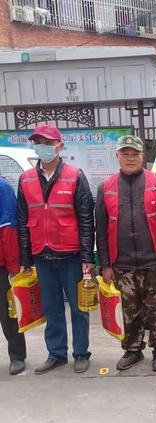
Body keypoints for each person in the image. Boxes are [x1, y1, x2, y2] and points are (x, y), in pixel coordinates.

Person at [17, 124, 95, 375]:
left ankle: (81, 353)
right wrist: (26, 257)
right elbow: (22, 220)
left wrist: (87, 257)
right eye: (39, 142)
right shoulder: (26, 179)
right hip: (42, 255)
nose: (44, 148)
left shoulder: (75, 175)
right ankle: (56, 353)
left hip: (71, 255)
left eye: (48, 143)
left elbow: (86, 218)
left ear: (60, 146)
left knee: (79, 308)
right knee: (51, 309)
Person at [96, 135, 156, 372]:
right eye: (125, 154)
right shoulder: (105, 187)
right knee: (130, 309)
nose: (130, 158)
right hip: (122, 262)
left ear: (143, 156)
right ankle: (133, 349)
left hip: (155, 261)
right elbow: (101, 227)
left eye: (135, 154)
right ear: (118, 156)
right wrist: (106, 264)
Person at [0, 176, 27, 375]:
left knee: (8, 313)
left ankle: (17, 356)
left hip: (2, 265)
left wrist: (13, 267)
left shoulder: (2, 188)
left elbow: (8, 227)